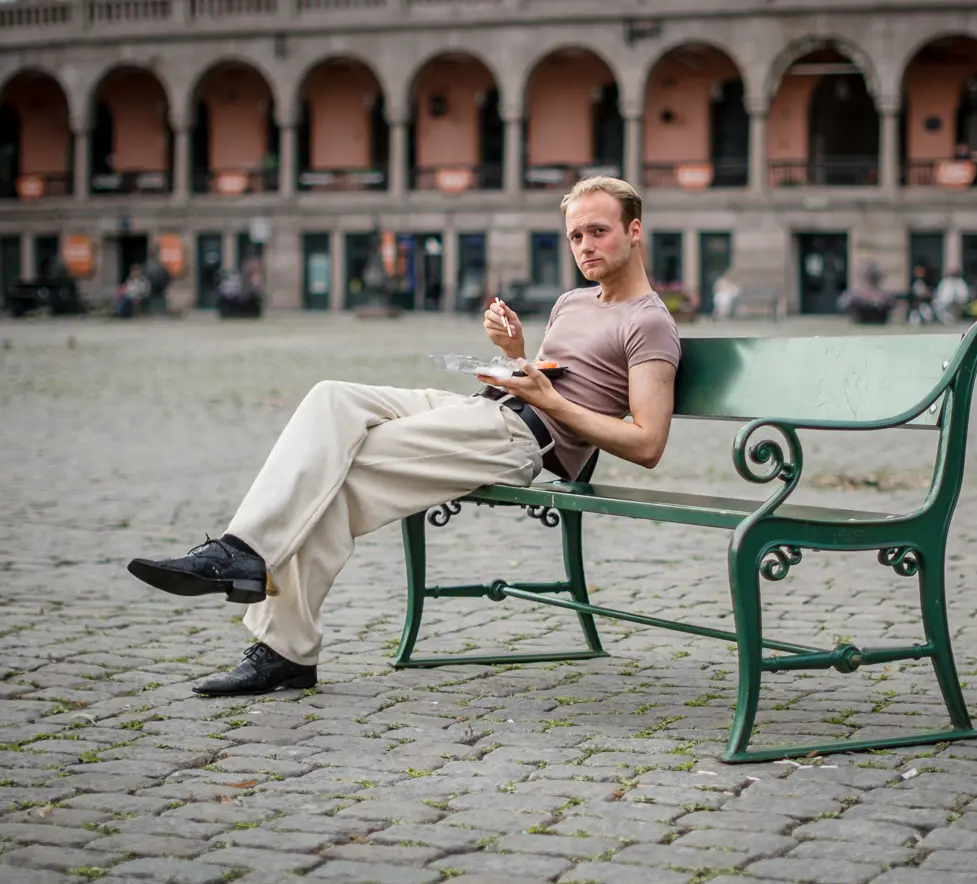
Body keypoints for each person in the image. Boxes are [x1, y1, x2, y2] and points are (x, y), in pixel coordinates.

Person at [125, 176, 681, 697]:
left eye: (598, 232)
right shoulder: (572, 302)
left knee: (338, 470)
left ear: (634, 231)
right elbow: (547, 375)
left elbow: (647, 443)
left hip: (517, 438)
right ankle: (246, 560)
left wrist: (547, 399)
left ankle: (276, 637)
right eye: (575, 236)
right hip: (485, 411)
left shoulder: (648, 322)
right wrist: (514, 353)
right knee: (331, 399)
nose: (584, 246)